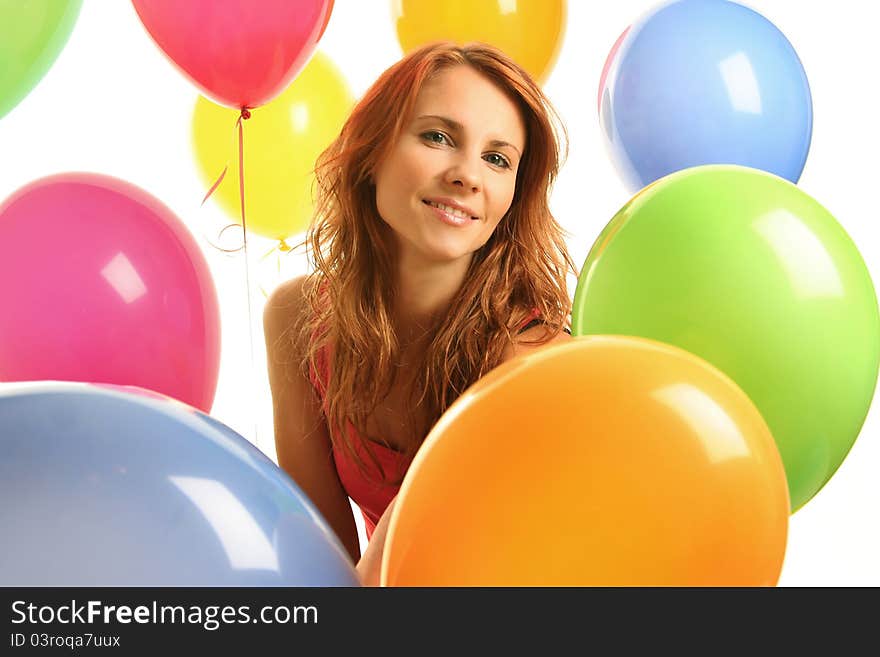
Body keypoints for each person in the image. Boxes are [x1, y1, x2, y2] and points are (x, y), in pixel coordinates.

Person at [263, 41, 577, 586]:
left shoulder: (528, 358)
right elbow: (319, 559)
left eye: (497, 159)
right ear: (371, 154)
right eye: (437, 137)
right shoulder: (299, 320)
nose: (467, 175)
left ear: (512, 196)